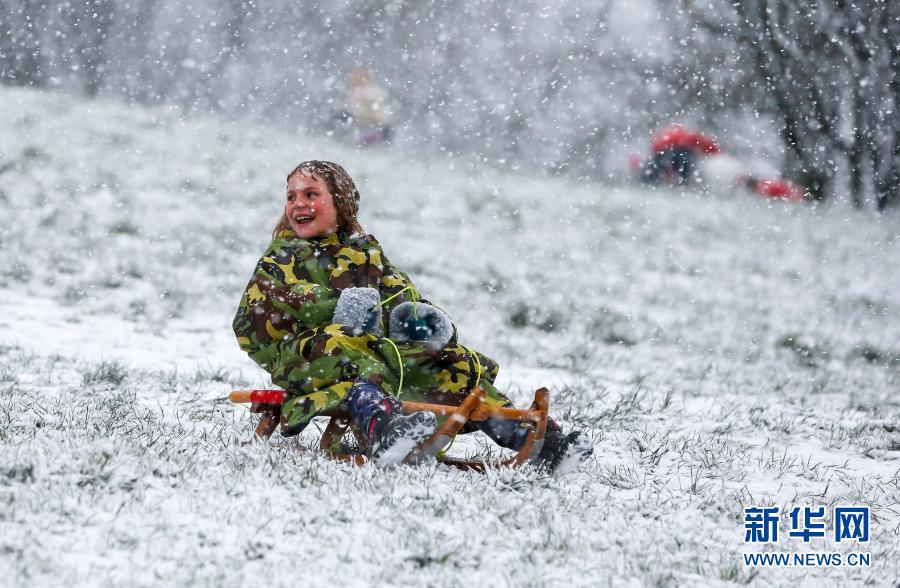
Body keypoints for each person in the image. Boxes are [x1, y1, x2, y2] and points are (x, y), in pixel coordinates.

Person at [233, 160, 592, 469]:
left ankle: (532, 438)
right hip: (303, 356)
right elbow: (279, 299)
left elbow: (401, 294)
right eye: (291, 196)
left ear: (340, 202)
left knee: (449, 363)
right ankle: (383, 427)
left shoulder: (365, 254)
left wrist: (421, 321)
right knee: (344, 342)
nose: (298, 204)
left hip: (367, 353)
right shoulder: (283, 255)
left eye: (311, 194)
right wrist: (336, 307)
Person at [346, 67, 391, 145]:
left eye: (357, 79)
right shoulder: (356, 94)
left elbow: (377, 115)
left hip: (376, 130)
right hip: (368, 129)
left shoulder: (370, 93)